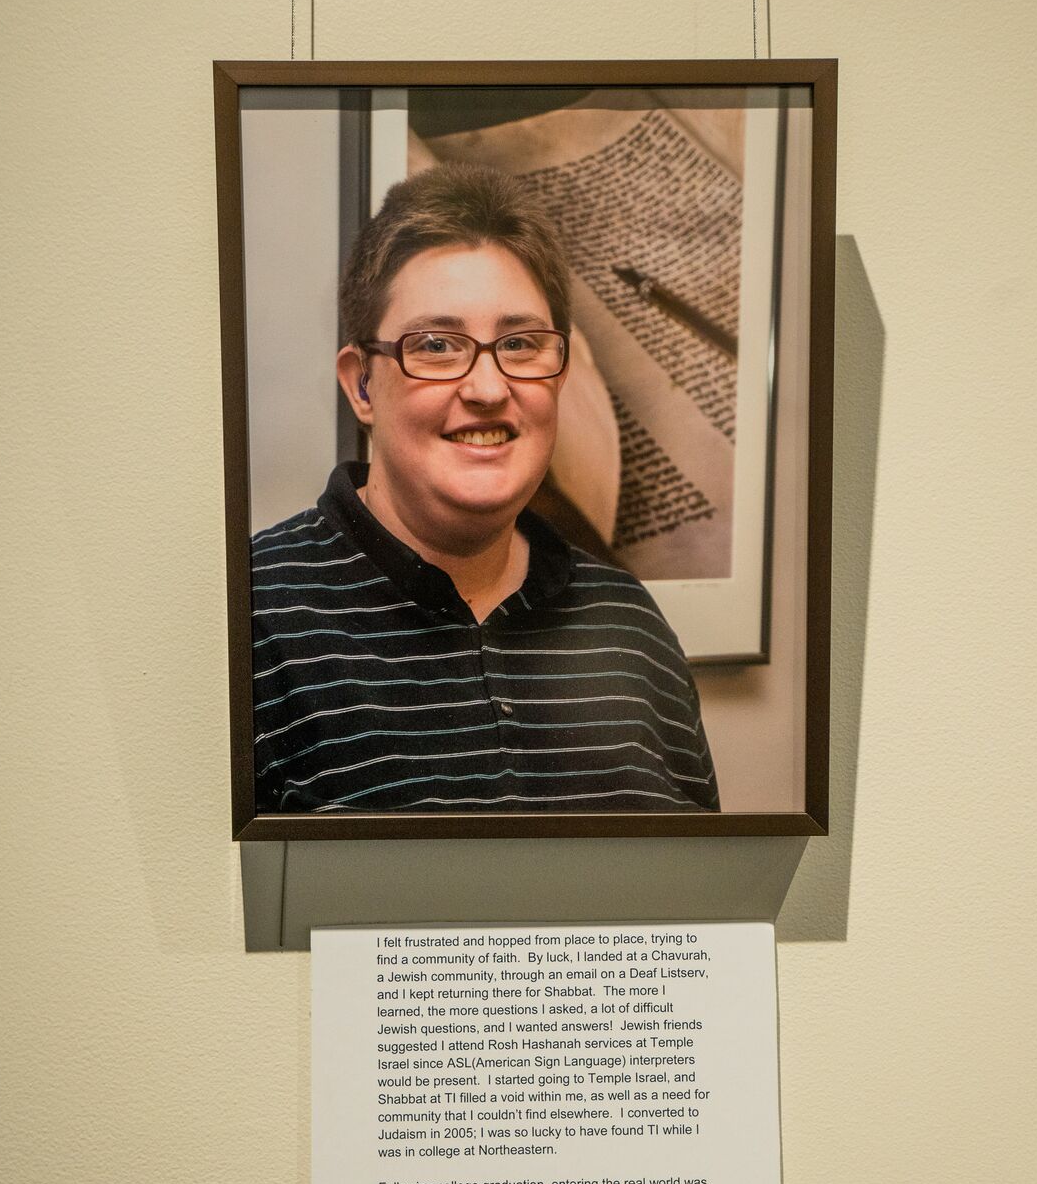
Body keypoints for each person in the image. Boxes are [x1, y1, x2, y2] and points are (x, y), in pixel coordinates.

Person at [251, 164, 719, 815]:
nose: (488, 388)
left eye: (520, 344)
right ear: (361, 385)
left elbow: (698, 878)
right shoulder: (254, 614)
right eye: (437, 345)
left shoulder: (629, 624)